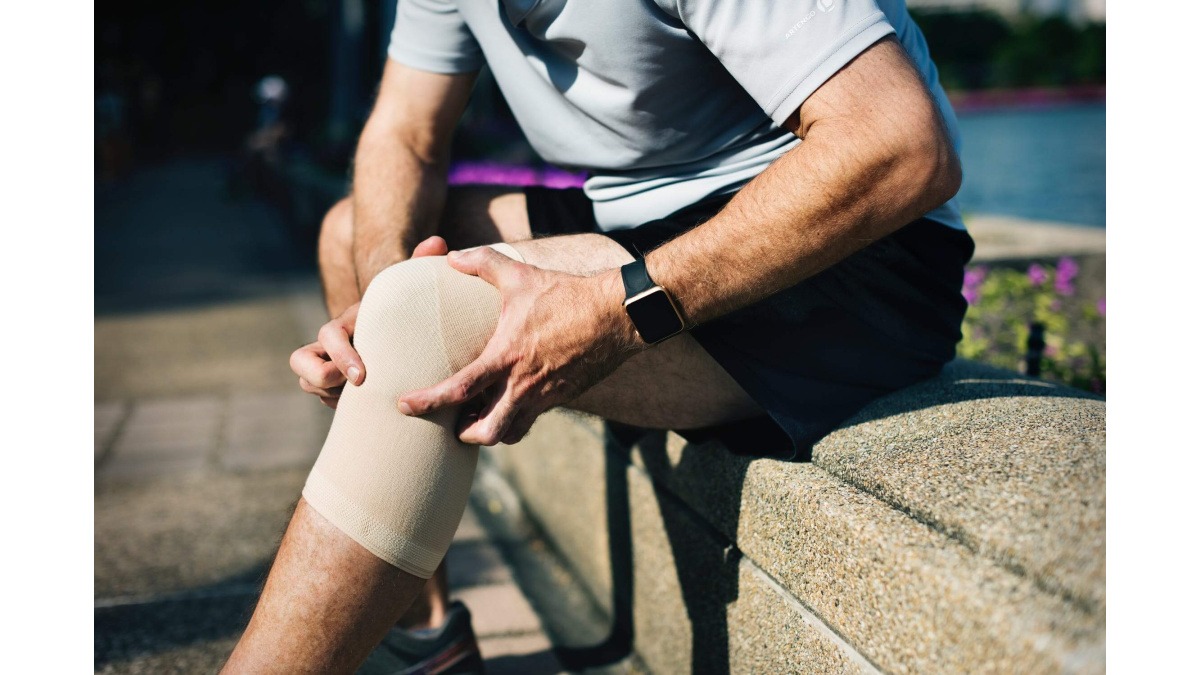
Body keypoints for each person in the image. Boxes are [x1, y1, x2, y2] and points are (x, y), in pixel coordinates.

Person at [224, 0, 973, 672]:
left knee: (427, 315)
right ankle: (421, 641)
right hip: (642, 218)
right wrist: (378, 309)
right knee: (354, 236)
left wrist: (619, 310)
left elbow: (901, 143)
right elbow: (405, 134)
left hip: (849, 251)